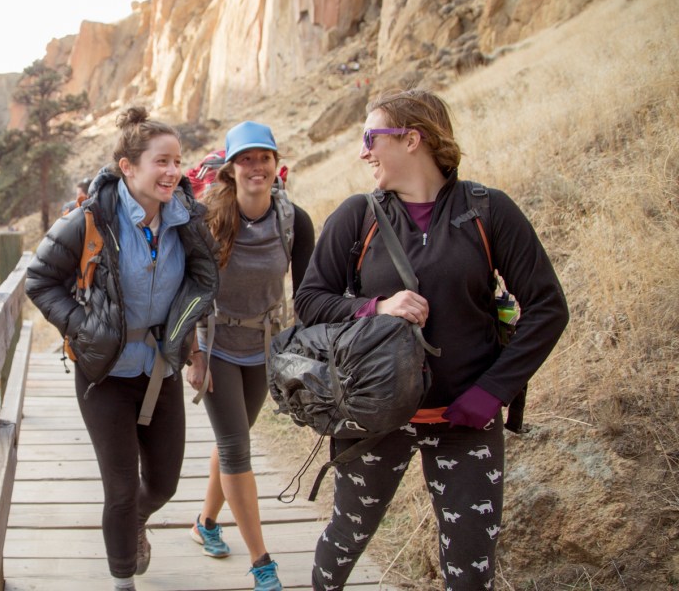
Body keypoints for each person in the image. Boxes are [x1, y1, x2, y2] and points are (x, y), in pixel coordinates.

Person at [293, 89, 569, 590]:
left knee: (470, 571)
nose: (363, 152)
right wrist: (376, 307)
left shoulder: (489, 211)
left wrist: (493, 392)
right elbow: (310, 300)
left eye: (371, 137)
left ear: (412, 139)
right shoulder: (357, 216)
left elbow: (548, 307)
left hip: (466, 420)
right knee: (345, 542)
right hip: (373, 417)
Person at [26, 106, 219, 591]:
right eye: (161, 161)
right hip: (104, 373)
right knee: (118, 490)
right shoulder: (92, 219)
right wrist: (82, 328)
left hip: (161, 370)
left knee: (162, 484)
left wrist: (191, 346)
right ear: (127, 167)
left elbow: (202, 281)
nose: (173, 171)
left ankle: (136, 521)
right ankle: (122, 580)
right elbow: (40, 279)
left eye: (177, 161)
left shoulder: (188, 219)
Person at [185, 121, 314, 591]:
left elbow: (309, 292)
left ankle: (205, 523)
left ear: (276, 165)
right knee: (238, 448)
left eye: (264, 157)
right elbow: (187, 293)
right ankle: (262, 562)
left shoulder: (294, 220)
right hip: (217, 346)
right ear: (231, 168)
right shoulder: (208, 221)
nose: (256, 166)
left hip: (264, 349)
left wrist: (305, 351)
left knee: (231, 442)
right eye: (246, 159)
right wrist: (194, 355)